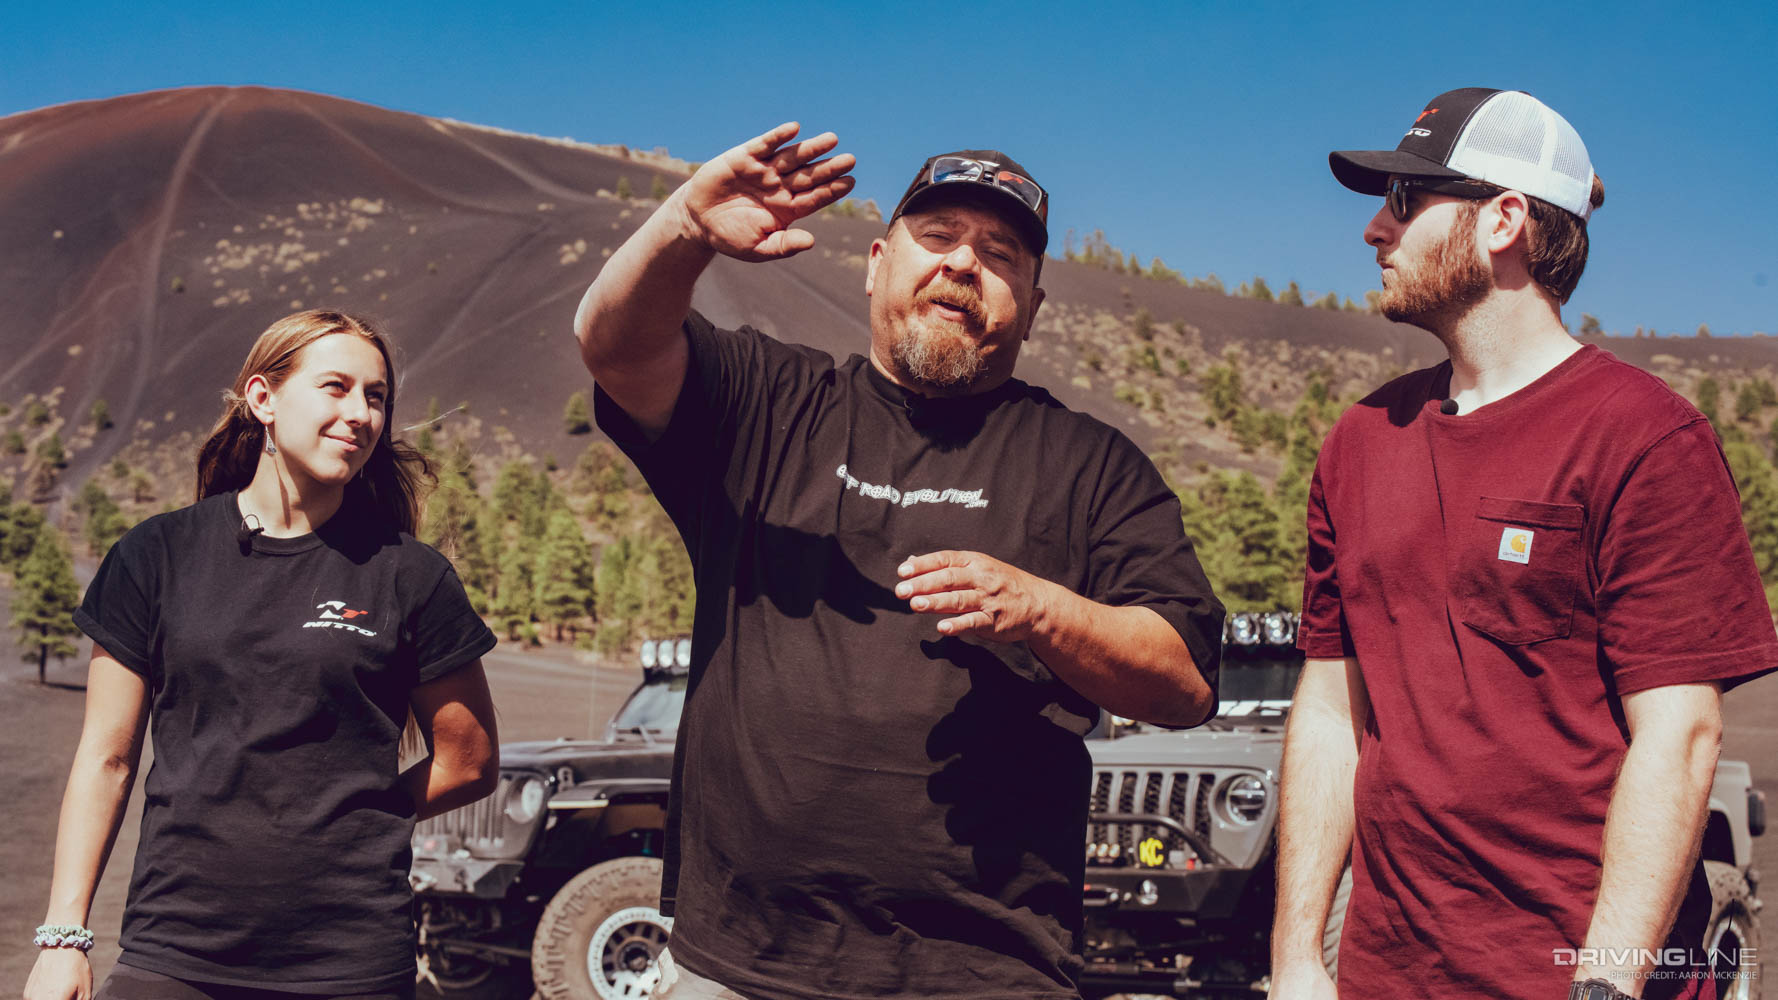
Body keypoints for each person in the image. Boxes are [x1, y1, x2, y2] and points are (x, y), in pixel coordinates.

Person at [573, 124, 1223, 999]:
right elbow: (616, 348)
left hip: (987, 970)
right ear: (877, 262)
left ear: (1033, 307)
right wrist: (683, 229)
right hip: (740, 963)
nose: (964, 264)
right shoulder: (767, 406)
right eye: (940, 236)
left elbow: (1182, 682)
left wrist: (1042, 610)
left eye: (1001, 254)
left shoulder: (1090, 466)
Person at [1270, 88, 1778, 1000]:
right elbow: (1329, 713)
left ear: (1503, 219)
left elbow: (1680, 734)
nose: (1372, 233)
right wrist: (1298, 959)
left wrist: (1606, 983)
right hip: (1385, 977)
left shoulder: (1645, 437)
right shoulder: (1359, 441)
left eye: (1402, 203)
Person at [24, 310, 500, 1000]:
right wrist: (63, 939)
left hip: (351, 960)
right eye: (335, 387)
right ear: (263, 399)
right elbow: (106, 758)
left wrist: (359, 814)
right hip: (175, 949)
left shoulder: (409, 576)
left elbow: (471, 760)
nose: (360, 413)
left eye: (376, 396)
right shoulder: (156, 556)